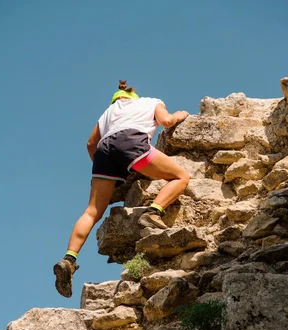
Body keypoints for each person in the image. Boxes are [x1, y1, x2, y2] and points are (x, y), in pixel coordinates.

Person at [53, 80, 190, 298]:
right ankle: (154, 212)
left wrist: (108, 173)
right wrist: (180, 114)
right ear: (133, 97)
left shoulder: (108, 112)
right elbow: (166, 121)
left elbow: (91, 143)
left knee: (92, 211)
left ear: (116, 100)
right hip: (132, 142)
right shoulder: (151, 102)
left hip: (104, 151)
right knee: (182, 176)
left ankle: (69, 259)